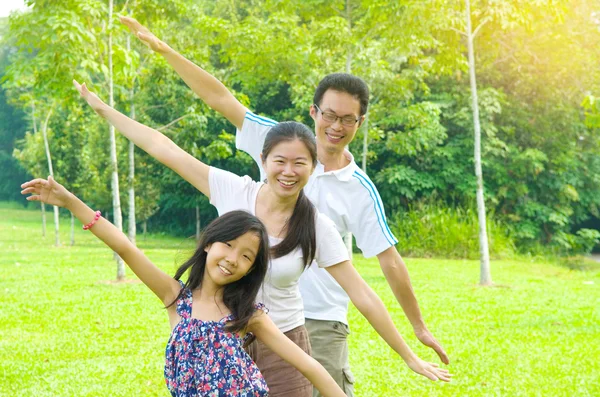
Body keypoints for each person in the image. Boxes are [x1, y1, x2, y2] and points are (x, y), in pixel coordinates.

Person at [119, 16, 449, 396]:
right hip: (240, 316)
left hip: (317, 320)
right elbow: (218, 98)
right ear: (313, 112)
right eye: (329, 115)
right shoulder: (280, 140)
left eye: (348, 119)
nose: (336, 126)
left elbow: (383, 267)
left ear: (360, 122)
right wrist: (165, 51)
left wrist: (416, 332)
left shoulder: (357, 191)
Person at [20, 176, 348, 397]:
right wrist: (70, 201)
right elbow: (125, 248)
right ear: (208, 244)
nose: (233, 258)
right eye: (228, 245)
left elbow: (307, 364)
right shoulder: (176, 298)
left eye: (247, 256)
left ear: (251, 269)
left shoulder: (249, 316)